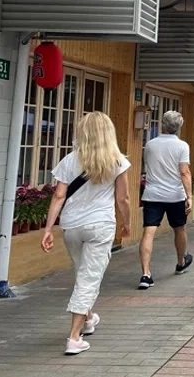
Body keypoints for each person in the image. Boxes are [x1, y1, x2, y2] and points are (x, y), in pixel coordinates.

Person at [42, 112, 131, 356]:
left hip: (71, 226)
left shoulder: (70, 160)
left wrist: (49, 228)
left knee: (83, 273)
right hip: (100, 225)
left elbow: (59, 196)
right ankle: (73, 338)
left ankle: (89, 318)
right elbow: (122, 198)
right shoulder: (118, 161)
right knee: (89, 278)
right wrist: (128, 223)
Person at [138, 110, 193, 289]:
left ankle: (146, 274)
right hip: (175, 195)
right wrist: (189, 196)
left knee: (148, 232)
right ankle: (180, 262)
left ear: (162, 124)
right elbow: (184, 172)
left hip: (152, 194)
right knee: (179, 228)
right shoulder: (182, 146)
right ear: (179, 127)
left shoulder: (151, 145)